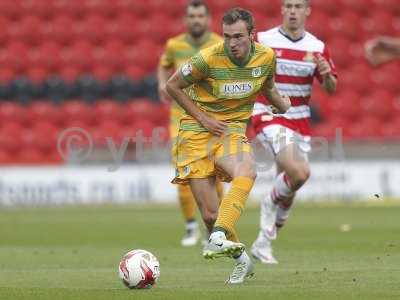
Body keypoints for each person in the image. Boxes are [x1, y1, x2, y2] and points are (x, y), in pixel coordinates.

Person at [166, 7, 291, 283]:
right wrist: (203, 118)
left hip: (231, 131)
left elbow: (267, 86)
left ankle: (218, 236)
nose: (232, 43)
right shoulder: (208, 58)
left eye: (238, 37)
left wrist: (281, 103)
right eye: (226, 36)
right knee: (210, 215)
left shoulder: (266, 57)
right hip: (195, 134)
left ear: (252, 35)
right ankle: (243, 262)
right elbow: (172, 86)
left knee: (247, 171)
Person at [251, 0, 337, 264]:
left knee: (290, 188)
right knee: (300, 172)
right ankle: (267, 201)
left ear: (307, 11)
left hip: (300, 121)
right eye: (288, 6)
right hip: (269, 114)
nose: (292, 11)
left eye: (298, 6)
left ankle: (263, 244)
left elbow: (331, 88)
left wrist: (328, 75)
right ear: (281, 10)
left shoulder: (317, 47)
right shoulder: (263, 39)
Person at [157, 0, 223, 247]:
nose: (196, 20)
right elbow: (163, 66)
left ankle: (215, 229)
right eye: (192, 16)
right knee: (185, 173)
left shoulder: (219, 43)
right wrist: (161, 83)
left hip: (211, 119)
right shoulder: (174, 45)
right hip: (182, 120)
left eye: (200, 16)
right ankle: (190, 226)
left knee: (215, 175)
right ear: (186, 20)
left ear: (208, 19)